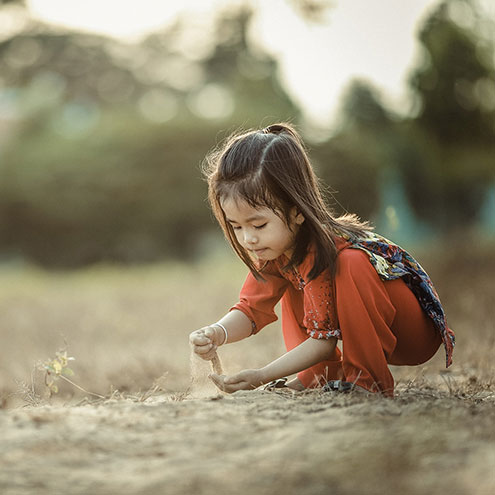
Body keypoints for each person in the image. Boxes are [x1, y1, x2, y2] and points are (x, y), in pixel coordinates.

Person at [189, 123, 455, 397]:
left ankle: (367, 382)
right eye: (236, 226)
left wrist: (262, 375)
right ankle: (320, 377)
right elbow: (250, 310)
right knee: (296, 283)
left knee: (350, 263)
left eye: (258, 225)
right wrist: (217, 332)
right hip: (366, 333)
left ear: (297, 212)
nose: (248, 239)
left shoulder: (326, 250)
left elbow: (322, 344)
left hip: (411, 333)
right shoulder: (274, 252)